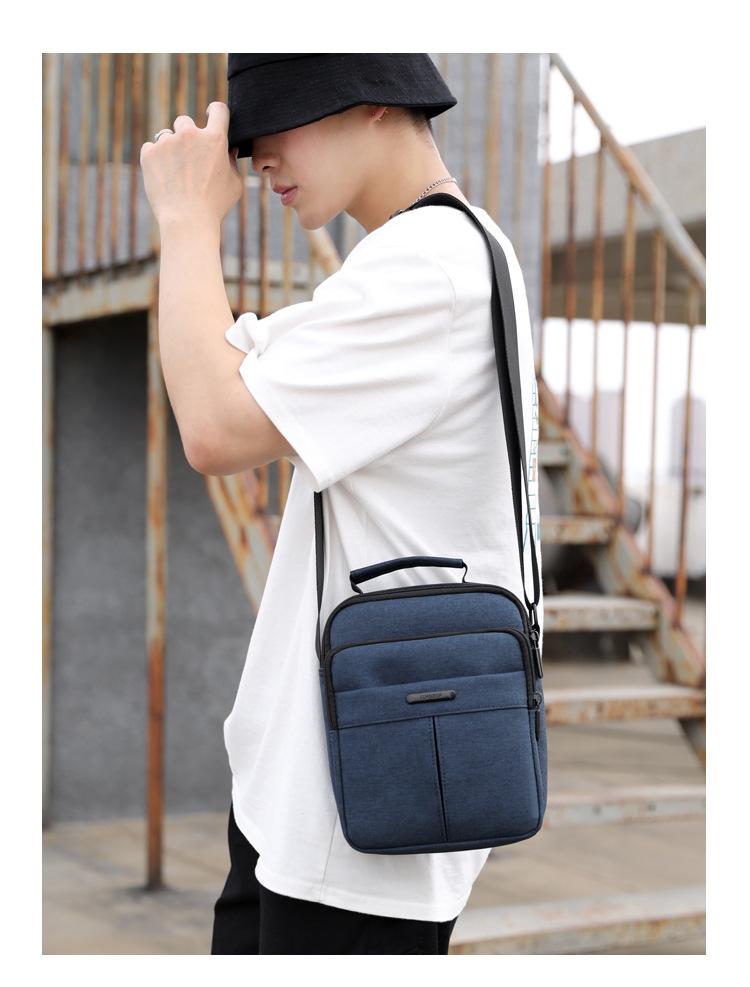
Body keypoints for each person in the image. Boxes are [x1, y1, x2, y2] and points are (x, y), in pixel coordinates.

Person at [140, 53, 543, 955]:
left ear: (370, 101)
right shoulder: (449, 252)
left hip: (356, 823)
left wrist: (186, 221)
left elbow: (213, 424)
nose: (259, 160)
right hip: (323, 792)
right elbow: (228, 373)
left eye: (276, 124)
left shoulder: (427, 269)